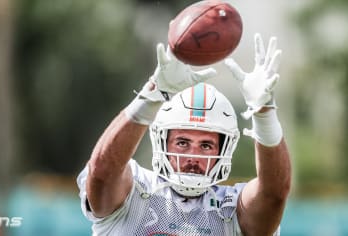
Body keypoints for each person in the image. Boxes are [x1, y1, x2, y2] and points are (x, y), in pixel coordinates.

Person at [77, 33, 291, 236]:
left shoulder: (232, 208)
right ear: (163, 142)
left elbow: (274, 194)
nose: (192, 155)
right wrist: (151, 96)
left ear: (224, 148)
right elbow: (102, 171)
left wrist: (264, 115)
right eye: (182, 142)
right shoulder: (133, 190)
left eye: (206, 145)